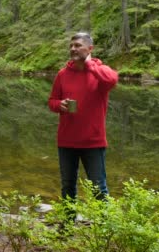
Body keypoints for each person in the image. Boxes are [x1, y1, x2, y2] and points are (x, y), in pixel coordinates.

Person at [48, 32, 118, 204]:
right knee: (68, 186)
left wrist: (90, 65)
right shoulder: (63, 74)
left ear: (90, 48)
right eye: (71, 46)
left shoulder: (100, 72)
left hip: (93, 142)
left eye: (78, 45)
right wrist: (60, 105)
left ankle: (104, 227)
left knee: (98, 187)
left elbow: (112, 80)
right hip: (66, 141)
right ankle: (67, 225)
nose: (73, 49)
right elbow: (51, 101)